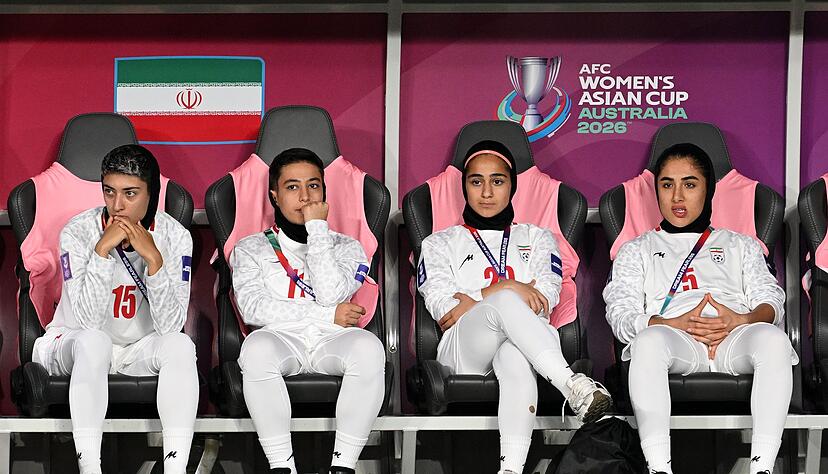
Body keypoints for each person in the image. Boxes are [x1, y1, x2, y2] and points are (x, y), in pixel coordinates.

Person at [417, 140, 612, 474]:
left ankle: (510, 469)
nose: (486, 192)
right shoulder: (438, 243)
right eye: (476, 181)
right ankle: (571, 384)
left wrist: (475, 298)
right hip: (464, 349)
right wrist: (507, 287)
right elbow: (444, 308)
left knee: (514, 353)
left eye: (497, 180)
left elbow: (546, 296)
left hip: (525, 345)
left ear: (512, 186)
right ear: (464, 187)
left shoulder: (538, 237)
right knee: (506, 301)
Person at [604, 143, 796, 474]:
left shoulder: (740, 244)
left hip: (733, 339)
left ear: (709, 190)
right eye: (667, 184)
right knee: (647, 342)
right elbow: (620, 315)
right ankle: (658, 468)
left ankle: (762, 468)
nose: (677, 196)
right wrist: (668, 323)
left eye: (690, 184)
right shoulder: (636, 249)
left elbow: (772, 301)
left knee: (774, 340)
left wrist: (742, 319)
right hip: (676, 341)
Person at [32, 144, 198, 474]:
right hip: (73, 343)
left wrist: (154, 261)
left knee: (180, 345)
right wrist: (101, 252)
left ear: (152, 193)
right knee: (95, 341)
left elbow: (170, 326)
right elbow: (87, 321)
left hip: (137, 349)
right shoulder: (78, 231)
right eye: (109, 191)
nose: (117, 205)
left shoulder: (176, 236)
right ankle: (90, 468)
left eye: (130, 193)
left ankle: (176, 468)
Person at [232, 148, 385, 474]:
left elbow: (330, 294)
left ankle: (343, 466)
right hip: (281, 340)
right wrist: (325, 315)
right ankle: (281, 467)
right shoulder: (250, 247)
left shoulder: (349, 247)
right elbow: (253, 309)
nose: (304, 196)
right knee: (256, 348)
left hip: (331, 341)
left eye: (313, 186)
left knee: (369, 347)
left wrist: (317, 229)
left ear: (324, 192)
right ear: (274, 196)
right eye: (292, 187)